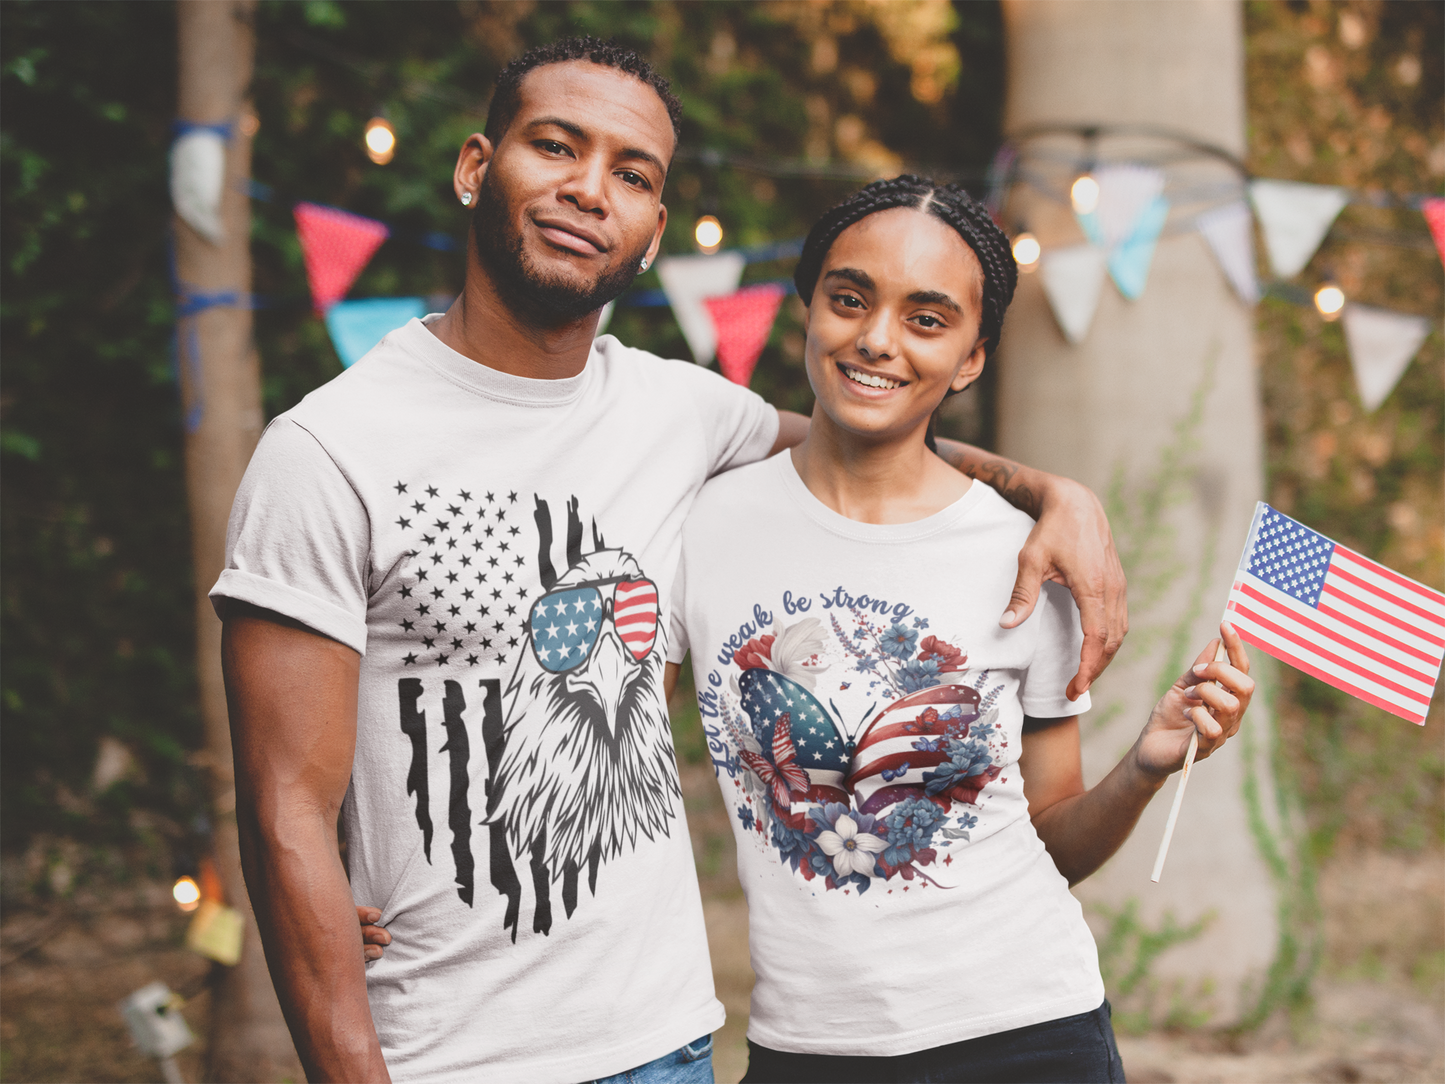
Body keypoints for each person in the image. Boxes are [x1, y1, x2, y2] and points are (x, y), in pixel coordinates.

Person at [215, 38, 1127, 1084]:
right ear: (476, 167)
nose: (587, 190)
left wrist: (1055, 494)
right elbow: (284, 809)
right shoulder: (328, 450)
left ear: (652, 229)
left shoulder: (680, 411)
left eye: (632, 174)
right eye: (555, 146)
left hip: (668, 1044)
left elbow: (877, 435)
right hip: (446, 1054)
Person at [662, 177, 1254, 1083]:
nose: (876, 339)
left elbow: (1052, 838)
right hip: (807, 1046)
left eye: (926, 319)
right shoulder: (703, 525)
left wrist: (1143, 765)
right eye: (850, 299)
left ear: (972, 357)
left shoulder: (1025, 554)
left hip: (1028, 1033)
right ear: (807, 310)